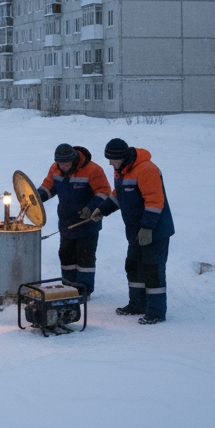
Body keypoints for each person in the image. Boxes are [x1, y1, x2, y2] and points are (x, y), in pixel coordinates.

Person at [99, 137, 175, 324]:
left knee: (152, 269)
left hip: (154, 231)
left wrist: (147, 228)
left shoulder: (147, 169)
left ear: (122, 157)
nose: (109, 163)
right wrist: (101, 210)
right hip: (134, 231)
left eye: (112, 159)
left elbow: (155, 201)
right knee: (133, 266)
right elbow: (120, 196)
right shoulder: (121, 171)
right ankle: (137, 304)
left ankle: (156, 311)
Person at [37, 143, 112, 295]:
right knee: (66, 255)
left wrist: (90, 208)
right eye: (60, 164)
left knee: (85, 258)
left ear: (74, 160)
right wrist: (36, 197)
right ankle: (68, 288)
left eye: (66, 164)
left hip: (87, 223)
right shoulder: (55, 168)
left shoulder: (93, 169)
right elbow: (49, 187)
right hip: (66, 222)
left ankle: (84, 290)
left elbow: (104, 191)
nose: (63, 167)